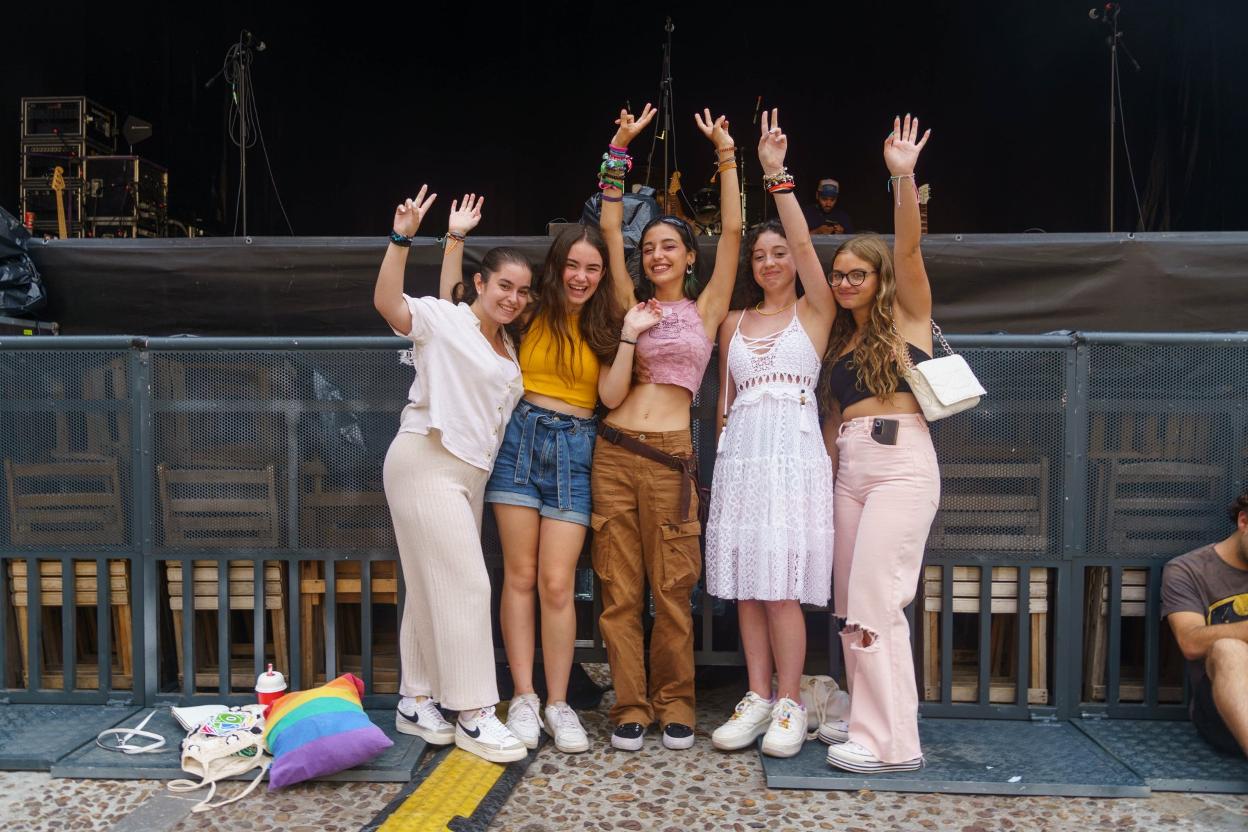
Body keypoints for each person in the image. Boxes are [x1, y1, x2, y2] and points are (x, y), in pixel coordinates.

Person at [437, 196, 658, 753]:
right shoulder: (528, 311)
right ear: (556, 267)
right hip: (520, 439)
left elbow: (609, 395)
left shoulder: (608, 321)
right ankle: (526, 698)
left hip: (578, 447)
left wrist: (629, 336)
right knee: (520, 576)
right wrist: (454, 239)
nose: (582, 277)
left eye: (594, 268)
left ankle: (559, 703)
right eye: (573, 266)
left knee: (560, 584)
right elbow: (455, 307)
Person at [591, 104, 742, 751]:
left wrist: (728, 157)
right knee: (620, 594)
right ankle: (630, 706)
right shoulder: (632, 303)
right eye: (649, 246)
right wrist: (618, 149)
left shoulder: (705, 309)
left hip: (672, 457)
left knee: (673, 592)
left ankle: (675, 702)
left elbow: (734, 230)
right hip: (615, 452)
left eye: (668, 246)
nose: (655, 253)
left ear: (688, 257)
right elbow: (607, 222)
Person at [375, 184, 532, 765]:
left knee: (430, 584)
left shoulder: (504, 345)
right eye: (504, 286)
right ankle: (473, 713)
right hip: (425, 460)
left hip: (469, 476)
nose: (513, 297)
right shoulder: (443, 319)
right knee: (468, 583)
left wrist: (455, 239)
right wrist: (404, 238)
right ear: (481, 285)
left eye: (522, 291)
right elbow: (391, 304)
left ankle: (415, 700)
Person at [706, 109, 838, 758]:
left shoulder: (814, 315)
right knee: (749, 589)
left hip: (792, 456)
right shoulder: (731, 321)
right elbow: (722, 403)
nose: (769, 260)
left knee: (781, 588)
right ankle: (757, 696)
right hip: (742, 460)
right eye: (759, 255)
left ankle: (790, 701)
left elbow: (810, 249)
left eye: (777, 252)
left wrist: (775, 175)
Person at [817, 114, 937, 774]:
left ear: (879, 277)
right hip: (852, 466)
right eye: (839, 274)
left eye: (857, 273)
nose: (844, 282)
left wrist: (901, 176)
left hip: (901, 463)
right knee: (851, 604)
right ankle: (866, 723)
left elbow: (911, 250)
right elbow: (834, 415)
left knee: (876, 599)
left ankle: (893, 745)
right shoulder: (841, 337)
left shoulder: (908, 314)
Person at [1162, 491, 1248, 757]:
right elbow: (1190, 641)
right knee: (1228, 649)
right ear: (1244, 521)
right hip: (1228, 710)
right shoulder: (1187, 570)